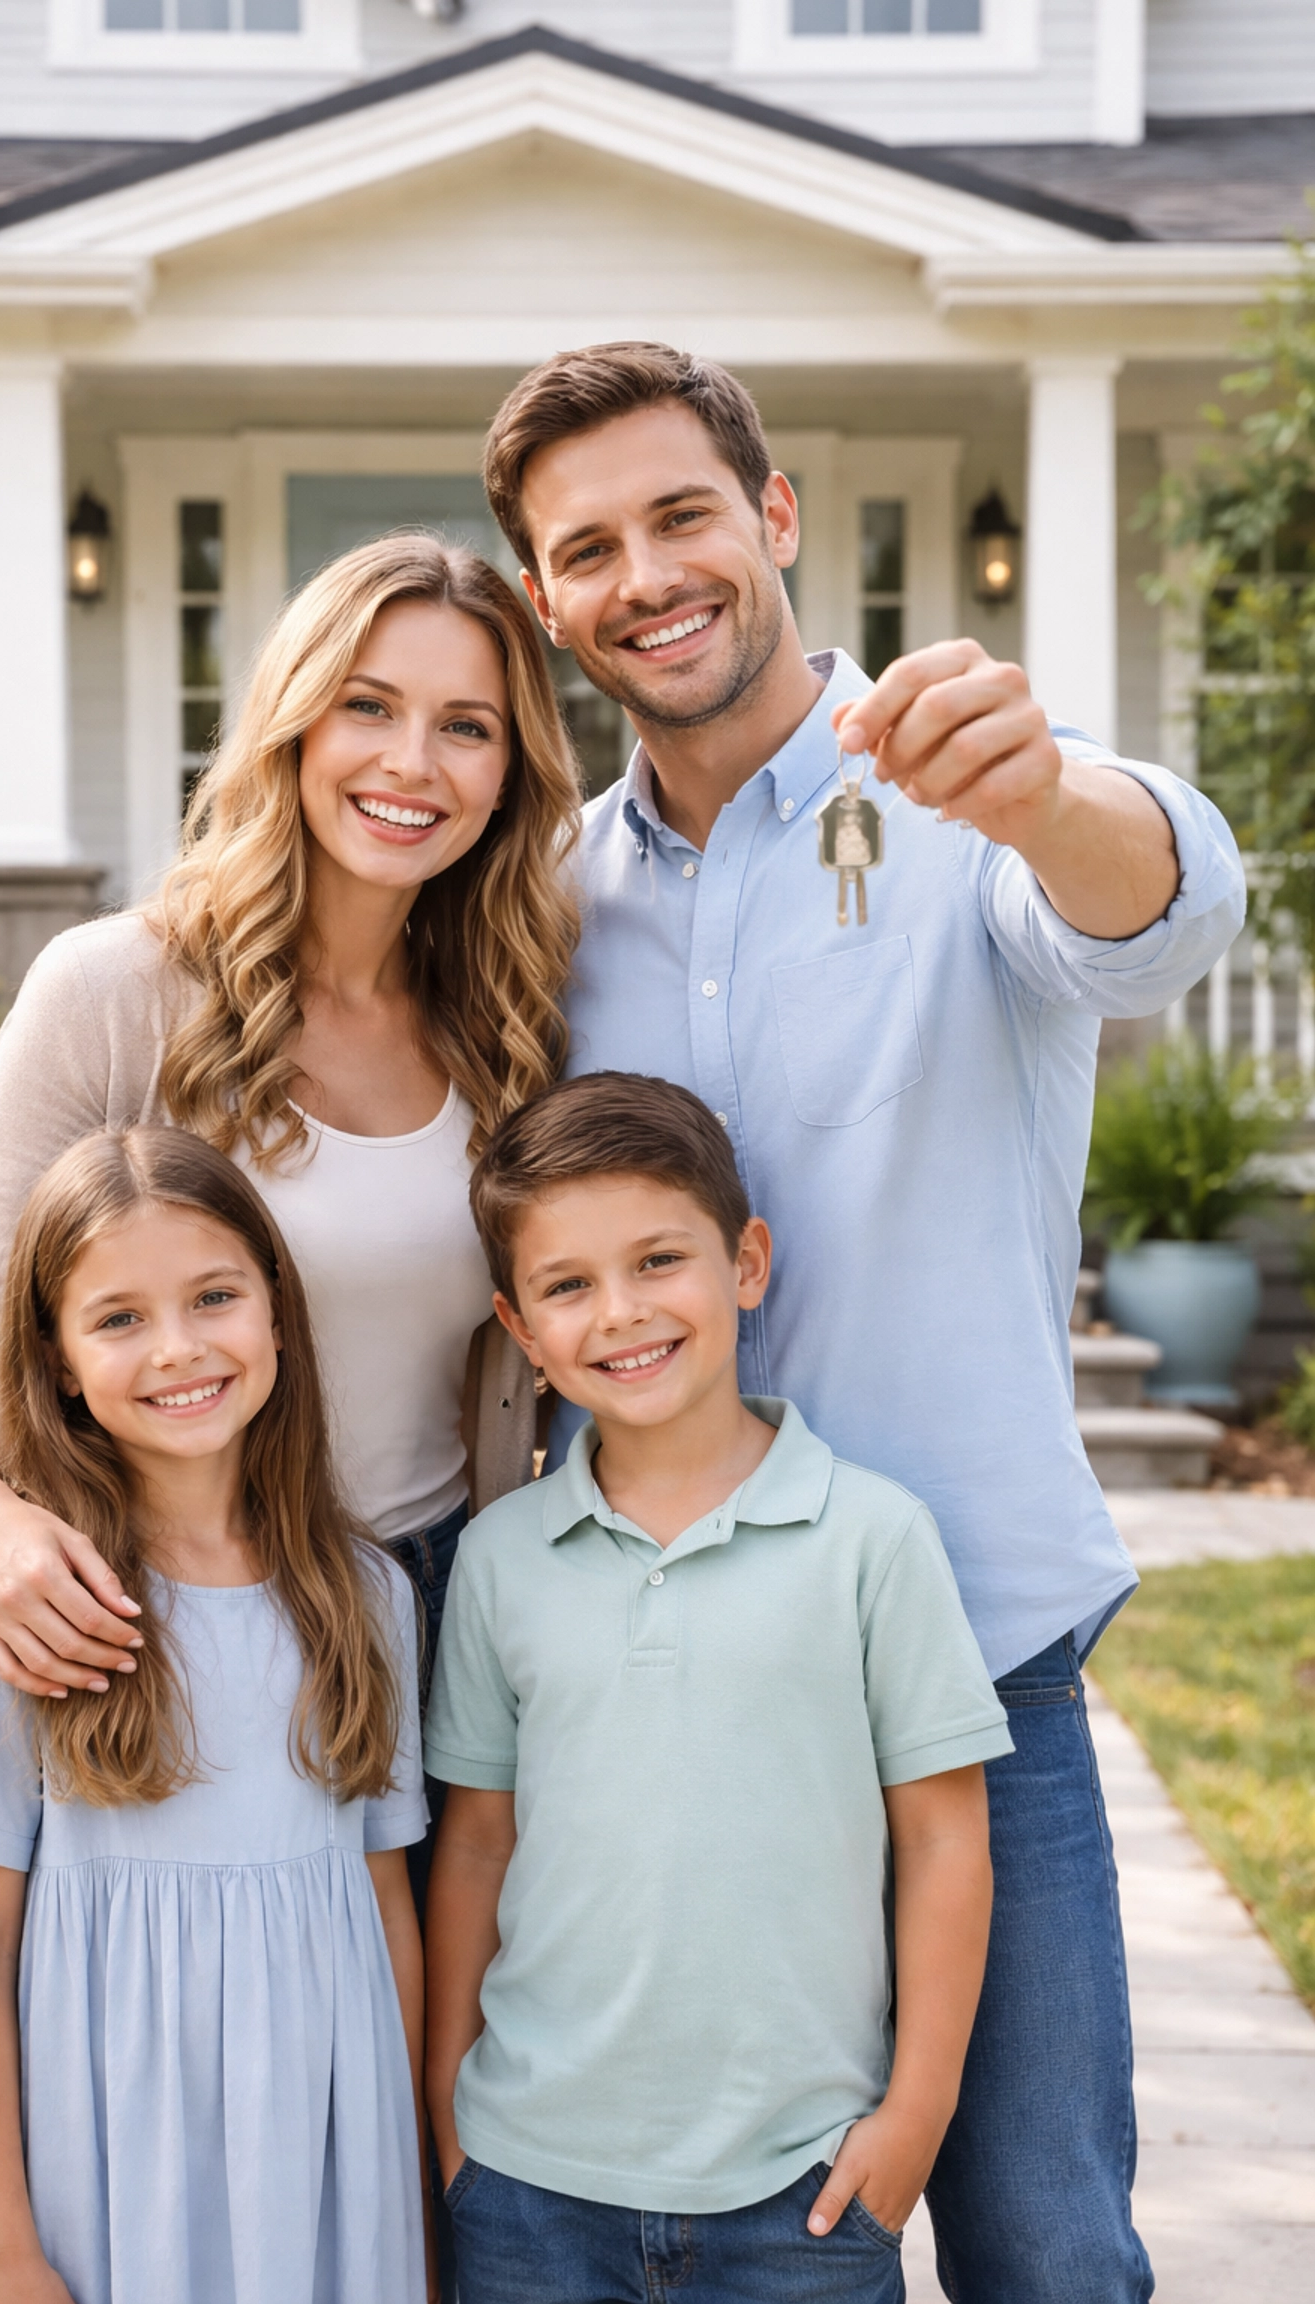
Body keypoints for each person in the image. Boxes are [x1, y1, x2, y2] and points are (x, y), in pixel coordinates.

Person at [480, 342, 1247, 2303]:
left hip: (976, 1677)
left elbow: (1156, 913)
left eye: (681, 515)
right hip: (656, 1707)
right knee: (696, 2241)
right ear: (550, 602)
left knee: (1049, 2252)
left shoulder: (965, 799)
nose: (645, 572)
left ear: (776, 517)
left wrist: (1053, 784)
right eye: (589, 550)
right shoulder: (549, 908)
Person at [0, 534, 577, 1818]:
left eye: (466, 726)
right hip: (163, 1613)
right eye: (366, 706)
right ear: (293, 726)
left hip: (431, 1609)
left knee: (403, 2018)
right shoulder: (110, 991)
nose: (410, 763)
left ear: (511, 773)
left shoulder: (509, 1023)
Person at [423, 1073, 1013, 2303]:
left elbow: (947, 1837)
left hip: (799, 2195)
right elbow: (476, 1848)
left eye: (658, 1261)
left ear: (746, 1262)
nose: (621, 1313)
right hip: (529, 2185)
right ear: (519, 1328)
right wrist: (447, 2117)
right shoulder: (500, 1558)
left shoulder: (872, 1538)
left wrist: (916, 2114)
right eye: (568, 1285)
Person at [0, 1126, 429, 2304]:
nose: (178, 1347)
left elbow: (387, 1910)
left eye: (215, 1296)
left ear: (278, 1311)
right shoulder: (34, 1610)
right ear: (60, 1361)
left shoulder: (365, 1598)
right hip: (88, 2183)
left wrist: (410, 2215)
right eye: (120, 1317)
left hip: (310, 2180)